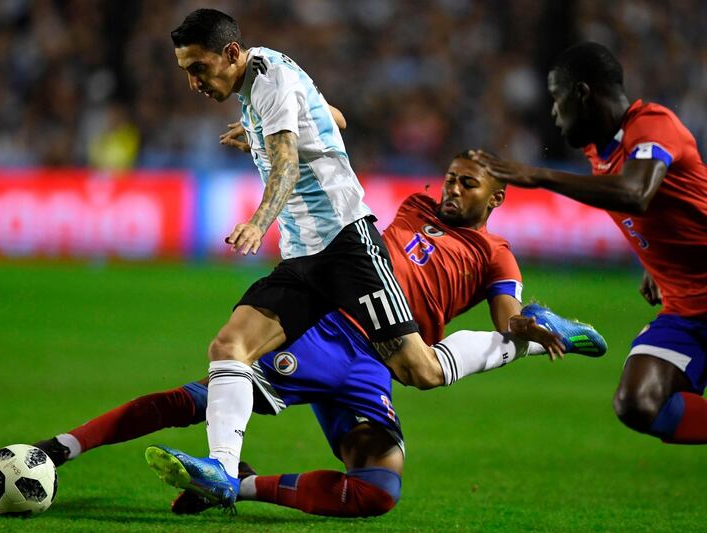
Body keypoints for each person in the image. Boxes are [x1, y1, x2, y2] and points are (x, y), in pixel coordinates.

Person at [34, 152, 607, 516]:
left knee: (378, 491)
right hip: (331, 330)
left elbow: (504, 316)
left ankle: (243, 484)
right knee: (199, 398)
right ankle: (64, 447)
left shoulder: (496, 256)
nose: (452, 191)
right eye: (451, 179)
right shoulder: (415, 207)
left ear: (497, 196)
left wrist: (524, 327)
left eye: (469, 185)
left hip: (376, 365)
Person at [167, 8, 457, 505]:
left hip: (347, 244)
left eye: (198, 68)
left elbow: (285, 161)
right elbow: (332, 118)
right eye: (186, 71)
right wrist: (257, 131)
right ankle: (221, 471)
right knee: (228, 347)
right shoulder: (260, 85)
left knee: (420, 371)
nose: (193, 82)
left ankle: (522, 339)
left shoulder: (270, 79)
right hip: (304, 256)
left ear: (231, 54)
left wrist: (259, 220)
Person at [473, 42, 707, 444]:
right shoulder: (598, 152)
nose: (552, 113)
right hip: (686, 308)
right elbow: (660, 211)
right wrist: (654, 265)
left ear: (582, 93)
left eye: (556, 98)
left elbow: (636, 193)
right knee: (638, 403)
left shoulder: (652, 123)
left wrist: (538, 176)